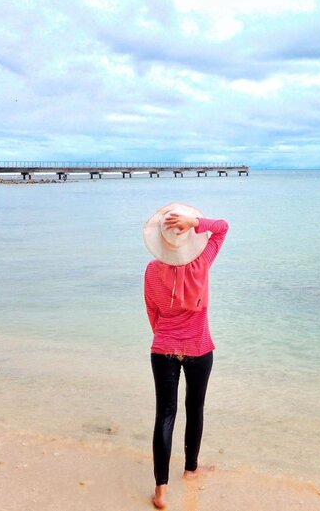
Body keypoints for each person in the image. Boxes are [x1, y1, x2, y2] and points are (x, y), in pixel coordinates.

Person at [143, 203, 229, 509]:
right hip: (199, 348)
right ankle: (191, 471)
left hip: (162, 349)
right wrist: (196, 221)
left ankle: (161, 491)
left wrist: (167, 336)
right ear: (188, 239)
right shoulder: (202, 262)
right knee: (195, 408)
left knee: (164, 415)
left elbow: (152, 314)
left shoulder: (152, 270)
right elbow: (222, 227)